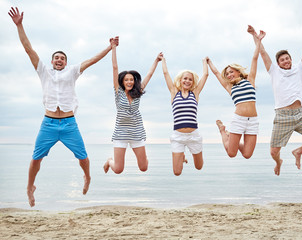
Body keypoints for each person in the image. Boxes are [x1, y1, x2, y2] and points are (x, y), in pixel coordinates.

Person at [9, 7, 113, 207]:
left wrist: (109, 48)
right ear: (51, 61)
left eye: (62, 58)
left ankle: (87, 177)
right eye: (56, 57)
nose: (59, 60)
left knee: (84, 158)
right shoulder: (43, 71)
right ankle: (30, 187)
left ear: (66, 62)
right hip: (48, 124)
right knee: (35, 159)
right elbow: (28, 48)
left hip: (69, 124)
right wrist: (19, 25)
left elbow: (92, 60)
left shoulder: (72, 71)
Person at [250, 14, 302, 176]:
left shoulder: (299, 69)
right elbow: (263, 53)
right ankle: (278, 162)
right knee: (273, 152)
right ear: (278, 63)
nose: (286, 61)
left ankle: (299, 151)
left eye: (287, 58)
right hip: (282, 116)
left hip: (300, 114)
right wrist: (256, 37)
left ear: (291, 59)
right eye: (282, 60)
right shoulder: (274, 71)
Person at [103, 37, 162, 174]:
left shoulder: (138, 91)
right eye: (126, 80)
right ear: (122, 82)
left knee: (143, 168)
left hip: (136, 132)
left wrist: (156, 60)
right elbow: (115, 67)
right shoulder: (118, 92)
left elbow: (150, 74)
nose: (129, 81)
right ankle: (109, 161)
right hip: (121, 133)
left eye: (131, 79)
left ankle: (144, 157)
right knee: (118, 169)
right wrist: (113, 48)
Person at [206, 27, 265, 159]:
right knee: (231, 153)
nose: (229, 75)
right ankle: (223, 131)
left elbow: (255, 59)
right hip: (238, 120)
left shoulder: (250, 80)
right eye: (227, 74)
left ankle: (231, 136)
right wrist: (209, 63)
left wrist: (258, 40)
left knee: (247, 155)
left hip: (253, 121)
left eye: (231, 71)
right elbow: (216, 73)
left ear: (238, 71)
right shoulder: (230, 87)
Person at [160, 54, 209, 176]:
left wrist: (205, 62)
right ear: (180, 80)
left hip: (194, 136)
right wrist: (163, 60)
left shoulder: (195, 93)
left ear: (193, 82)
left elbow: (206, 75)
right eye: (185, 78)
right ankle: (181, 155)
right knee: (177, 172)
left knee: (199, 167)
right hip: (178, 137)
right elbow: (166, 74)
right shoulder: (174, 92)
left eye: (190, 79)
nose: (187, 81)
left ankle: (183, 154)